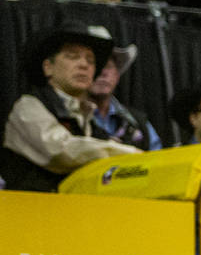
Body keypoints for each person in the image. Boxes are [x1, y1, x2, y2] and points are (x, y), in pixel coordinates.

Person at [0, 21, 139, 192]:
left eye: (90, 60)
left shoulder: (90, 119)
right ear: (48, 67)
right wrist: (126, 153)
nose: (84, 65)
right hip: (29, 213)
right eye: (72, 56)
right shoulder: (28, 107)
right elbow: (60, 151)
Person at [86, 27, 161, 152]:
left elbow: (157, 161)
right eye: (96, 65)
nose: (103, 73)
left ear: (117, 75)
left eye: (108, 66)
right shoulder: (70, 118)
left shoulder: (139, 123)